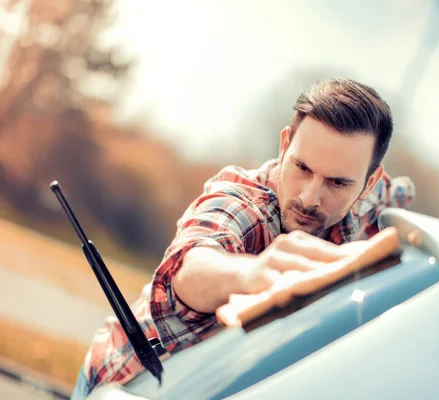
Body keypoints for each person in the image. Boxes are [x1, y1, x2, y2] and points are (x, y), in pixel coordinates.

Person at [70, 77, 415, 399]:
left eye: (337, 183)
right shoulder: (241, 204)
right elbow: (193, 264)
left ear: (368, 183)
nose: (310, 197)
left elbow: (400, 192)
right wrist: (249, 274)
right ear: (284, 146)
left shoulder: (373, 197)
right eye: (302, 168)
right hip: (125, 381)